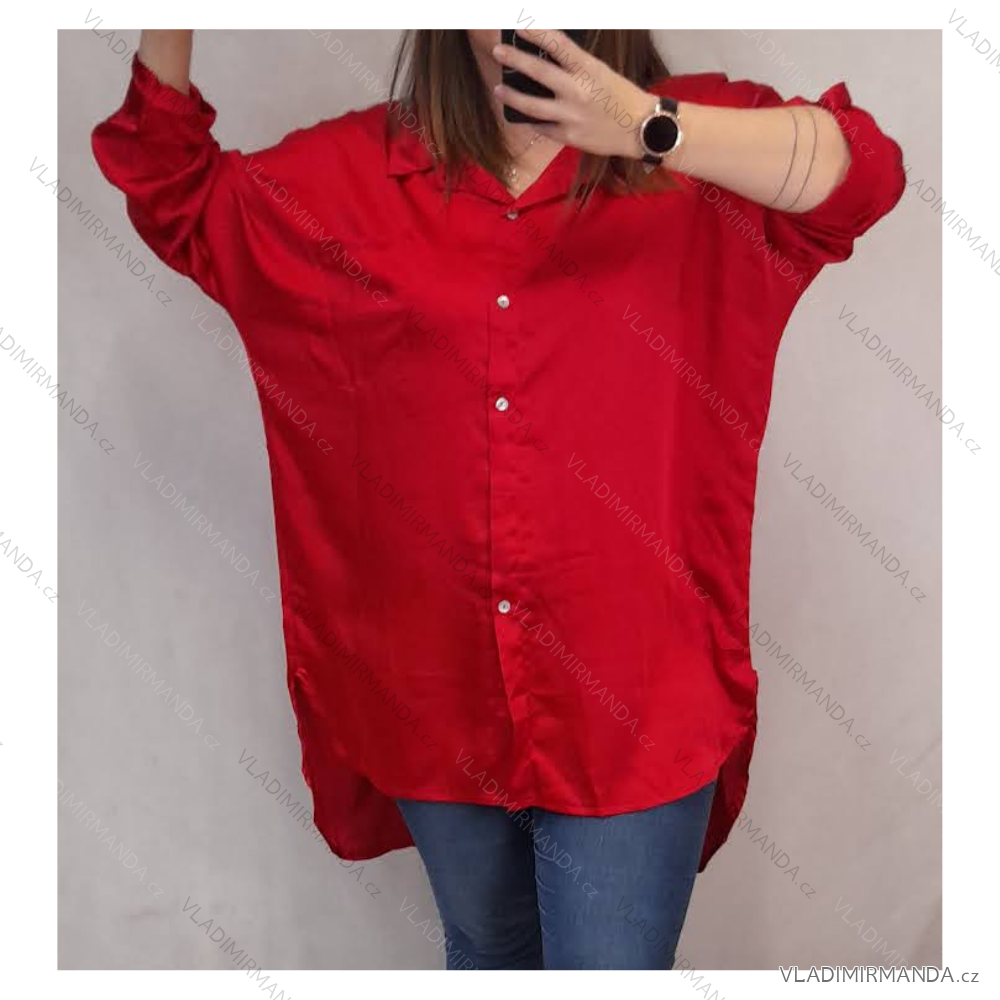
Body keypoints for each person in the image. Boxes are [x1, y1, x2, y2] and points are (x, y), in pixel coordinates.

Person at [92, 27, 905, 970]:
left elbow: (865, 174)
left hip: (636, 698)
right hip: (434, 695)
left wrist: (647, 127)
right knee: (488, 953)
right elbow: (176, 191)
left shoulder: (701, 148)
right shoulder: (347, 178)